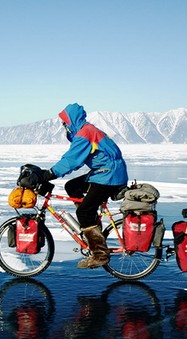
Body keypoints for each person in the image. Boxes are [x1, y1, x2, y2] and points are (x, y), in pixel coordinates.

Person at [42, 103, 128, 269]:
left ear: (72, 120)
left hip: (109, 176)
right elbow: (75, 160)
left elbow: (72, 160)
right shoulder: (86, 131)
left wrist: (49, 174)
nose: (64, 125)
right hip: (104, 172)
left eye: (65, 122)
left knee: (84, 211)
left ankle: (100, 254)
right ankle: (92, 227)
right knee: (72, 186)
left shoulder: (85, 133)